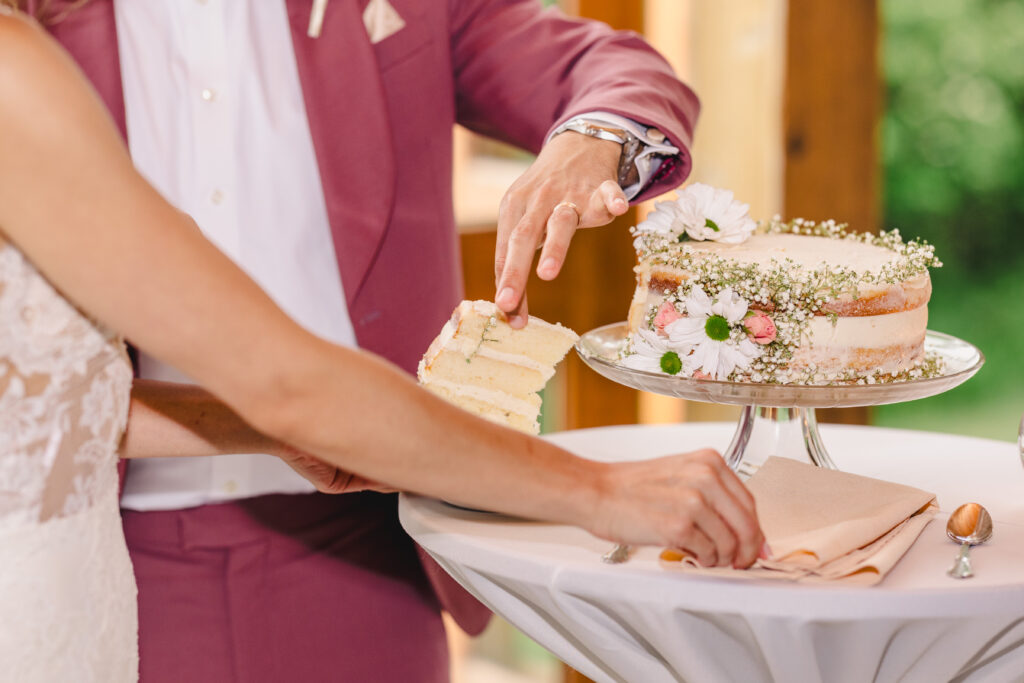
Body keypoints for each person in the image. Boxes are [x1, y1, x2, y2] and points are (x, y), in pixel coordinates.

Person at [0, 2, 766, 682]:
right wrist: (597, 490)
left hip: (363, 536)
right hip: (109, 553)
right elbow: (286, 382)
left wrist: (590, 140)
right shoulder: (24, 54)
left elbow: (601, 63)